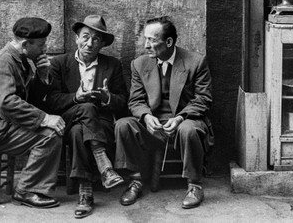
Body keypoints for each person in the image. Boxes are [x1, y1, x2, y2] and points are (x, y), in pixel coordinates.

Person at [0, 17, 65, 209]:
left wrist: (42, 76)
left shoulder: (21, 60)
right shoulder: (2, 61)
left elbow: (28, 102)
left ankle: (33, 185)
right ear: (26, 44)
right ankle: (26, 190)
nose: (44, 49)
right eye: (41, 45)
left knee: (53, 130)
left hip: (2, 125)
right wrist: (44, 118)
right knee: (50, 135)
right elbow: (6, 103)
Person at [115, 16, 213, 209]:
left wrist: (179, 118)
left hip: (184, 122)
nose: (146, 45)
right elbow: (135, 100)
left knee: (189, 130)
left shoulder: (196, 62)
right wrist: (146, 116)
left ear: (168, 42)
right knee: (123, 125)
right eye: (145, 39)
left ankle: (194, 185)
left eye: (152, 40)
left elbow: (204, 99)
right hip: (152, 124)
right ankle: (135, 180)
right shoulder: (139, 64)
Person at [43, 15, 129, 219]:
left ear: (101, 44)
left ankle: (85, 192)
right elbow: (51, 101)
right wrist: (75, 97)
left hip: (101, 124)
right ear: (76, 38)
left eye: (96, 39)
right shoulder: (59, 63)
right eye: (85, 37)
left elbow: (124, 102)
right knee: (85, 108)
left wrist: (108, 98)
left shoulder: (112, 65)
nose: (89, 43)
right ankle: (103, 164)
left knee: (77, 132)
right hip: (68, 117)